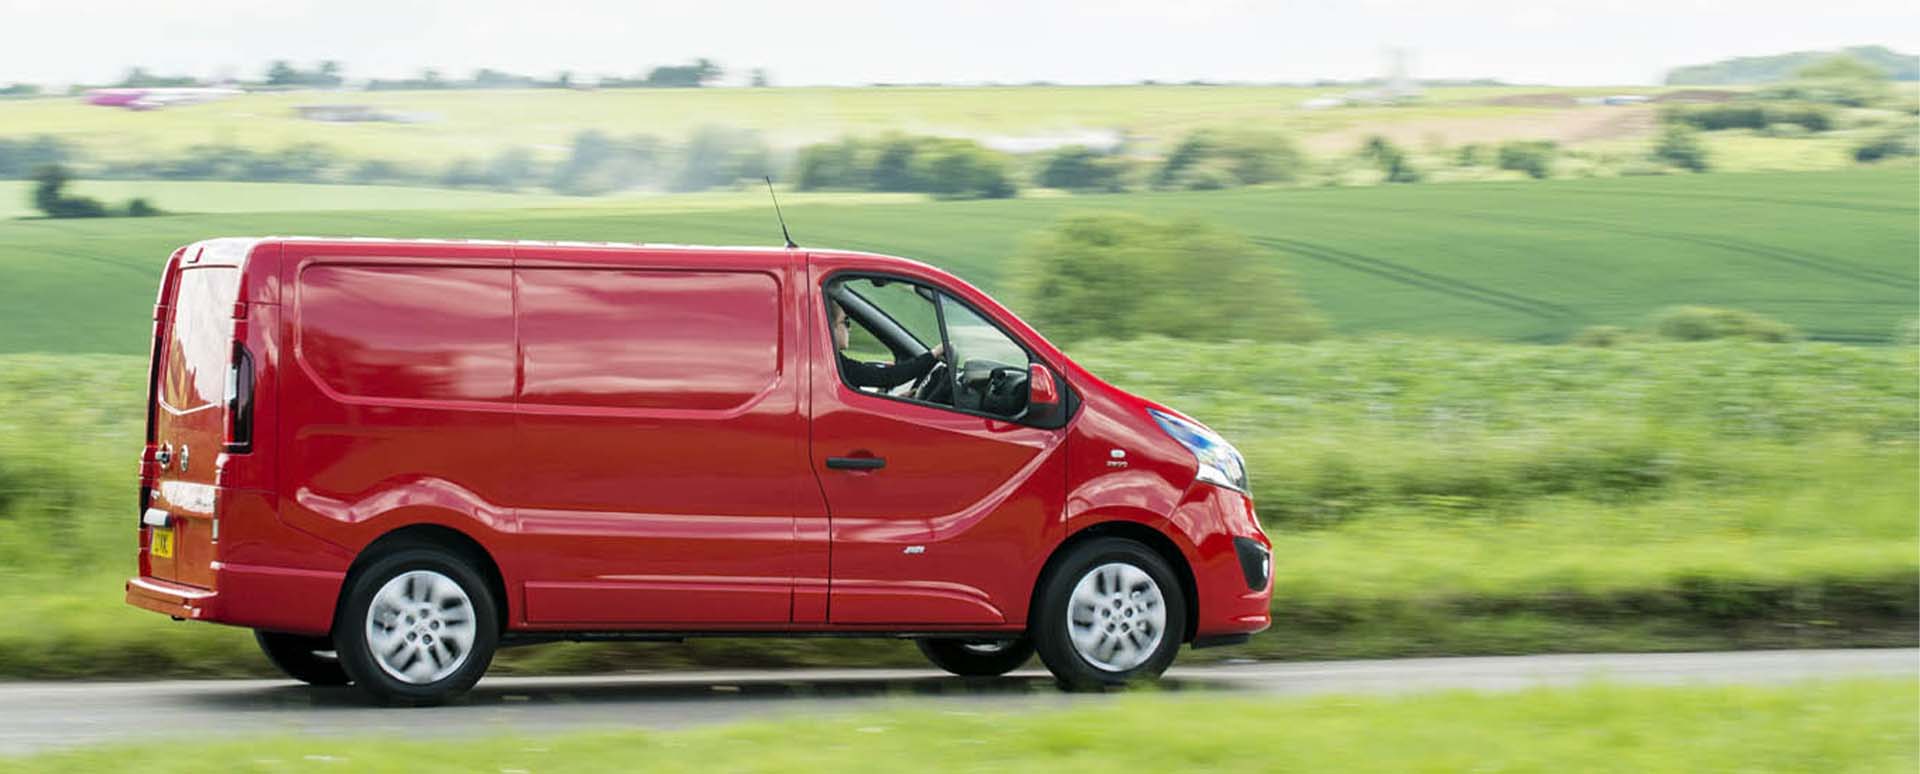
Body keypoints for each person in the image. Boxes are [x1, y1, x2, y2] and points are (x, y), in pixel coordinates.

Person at [832, 300, 945, 391]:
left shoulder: (833, 361)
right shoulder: (835, 364)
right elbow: (888, 376)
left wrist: (899, 399)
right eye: (846, 321)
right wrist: (934, 354)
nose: (850, 328)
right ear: (830, 327)